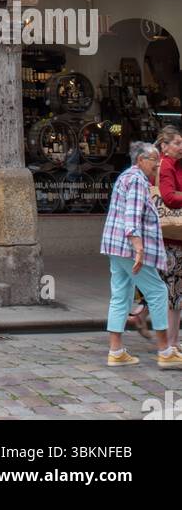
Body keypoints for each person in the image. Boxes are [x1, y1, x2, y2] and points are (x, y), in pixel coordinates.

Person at [101, 140, 182, 368]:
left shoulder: (127, 177)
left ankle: (116, 351)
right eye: (154, 162)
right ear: (141, 160)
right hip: (128, 248)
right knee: (158, 291)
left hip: (115, 246)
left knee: (120, 295)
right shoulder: (136, 180)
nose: (157, 167)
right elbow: (132, 217)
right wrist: (138, 247)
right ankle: (165, 350)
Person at [157, 125, 182, 350]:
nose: (181, 148)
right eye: (177, 143)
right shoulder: (166, 165)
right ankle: (170, 343)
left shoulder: (176, 164)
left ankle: (172, 340)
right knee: (173, 292)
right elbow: (169, 197)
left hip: (177, 237)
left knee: (175, 293)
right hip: (171, 239)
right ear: (165, 146)